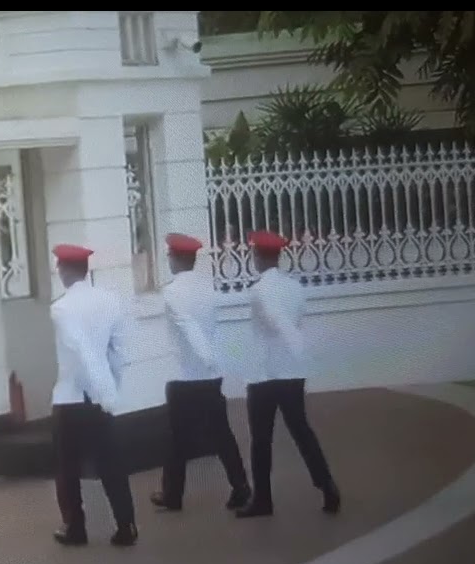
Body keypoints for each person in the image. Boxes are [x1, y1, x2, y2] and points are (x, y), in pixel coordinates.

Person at [236, 230, 340, 518]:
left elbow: (274, 322)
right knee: (301, 431)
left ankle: (263, 500)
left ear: (258, 256)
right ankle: (326, 484)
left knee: (261, 440)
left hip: (265, 374)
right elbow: (295, 320)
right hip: (293, 371)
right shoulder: (295, 287)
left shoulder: (258, 290)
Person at [151, 233, 252, 513]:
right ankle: (241, 486)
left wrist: (205, 357)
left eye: (170, 256)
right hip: (210, 376)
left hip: (184, 375)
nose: (169, 260)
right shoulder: (208, 288)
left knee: (175, 437)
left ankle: (173, 495)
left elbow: (188, 325)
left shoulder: (172, 292)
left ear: (176, 258)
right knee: (221, 434)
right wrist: (212, 362)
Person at [49, 243, 138, 547]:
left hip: (70, 398)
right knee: (112, 464)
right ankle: (126, 525)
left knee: (67, 468)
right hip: (102, 399)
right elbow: (118, 351)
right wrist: (111, 389)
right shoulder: (109, 301)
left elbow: (81, 350)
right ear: (86, 271)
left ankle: (75, 527)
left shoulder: (60, 308)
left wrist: (100, 388)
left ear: (63, 270)